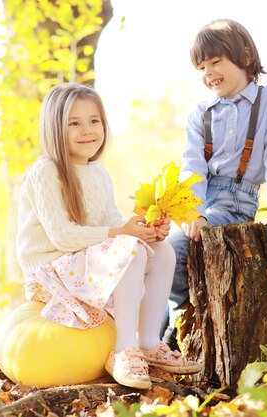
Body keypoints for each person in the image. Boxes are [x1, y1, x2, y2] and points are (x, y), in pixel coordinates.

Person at [16, 83, 201, 389]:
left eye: (94, 121)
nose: (87, 130)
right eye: (74, 123)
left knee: (162, 250)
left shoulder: (99, 174)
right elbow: (62, 236)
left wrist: (147, 231)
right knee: (132, 251)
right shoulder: (45, 172)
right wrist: (123, 234)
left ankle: (148, 342)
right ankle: (123, 349)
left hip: (84, 265)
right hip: (50, 272)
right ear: (54, 129)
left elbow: (115, 224)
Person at [164, 19, 267, 337]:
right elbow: (192, 166)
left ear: (246, 57)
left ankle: (174, 330)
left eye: (215, 62)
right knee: (160, 258)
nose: (208, 73)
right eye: (201, 67)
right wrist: (192, 211)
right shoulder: (201, 113)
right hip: (199, 207)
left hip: (236, 203)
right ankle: (160, 337)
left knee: (174, 257)